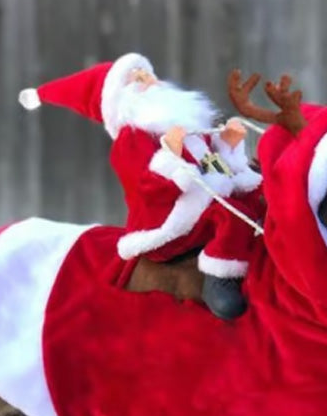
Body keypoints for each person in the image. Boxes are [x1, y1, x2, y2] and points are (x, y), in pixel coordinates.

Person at [19, 53, 264, 319]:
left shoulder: (185, 126)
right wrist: (171, 153)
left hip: (203, 202)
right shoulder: (131, 140)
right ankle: (219, 278)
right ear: (121, 101)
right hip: (169, 221)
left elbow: (211, 165)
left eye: (147, 73)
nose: (149, 80)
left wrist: (228, 144)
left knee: (250, 201)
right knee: (228, 216)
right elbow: (146, 187)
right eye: (136, 79)